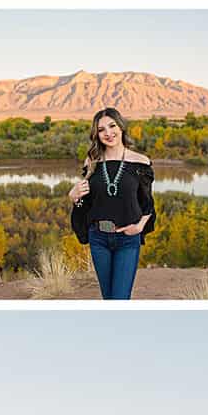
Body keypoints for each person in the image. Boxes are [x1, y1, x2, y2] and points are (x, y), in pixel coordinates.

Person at [68, 108, 157, 300]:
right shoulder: (92, 162)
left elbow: (147, 203)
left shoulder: (140, 162)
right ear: (96, 134)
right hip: (98, 238)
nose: (108, 133)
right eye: (101, 130)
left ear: (121, 127)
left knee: (120, 299)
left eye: (112, 126)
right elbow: (86, 204)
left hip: (127, 239)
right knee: (108, 299)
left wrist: (139, 227)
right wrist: (74, 197)